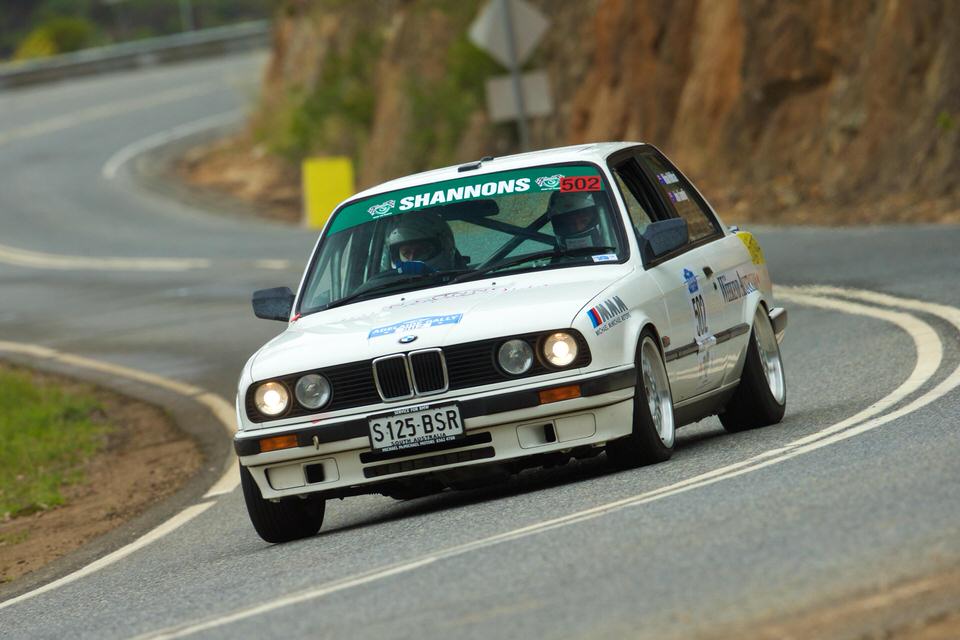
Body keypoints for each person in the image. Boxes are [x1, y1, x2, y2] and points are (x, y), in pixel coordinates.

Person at [386, 212, 458, 272]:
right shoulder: (388, 284)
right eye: (406, 253)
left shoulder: (466, 279)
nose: (412, 259)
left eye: (421, 251)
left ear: (445, 245)